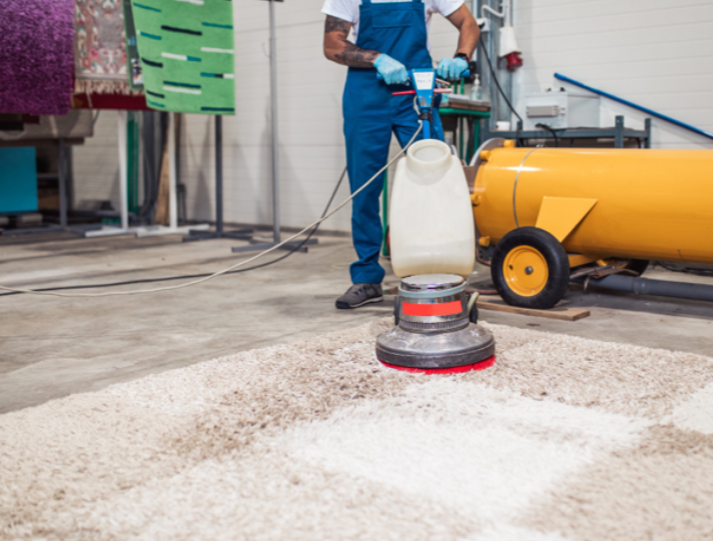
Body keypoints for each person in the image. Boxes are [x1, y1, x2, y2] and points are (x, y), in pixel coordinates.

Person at [322, 0, 479, 309]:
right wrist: (376, 58)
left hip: (416, 92)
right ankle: (367, 278)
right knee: (365, 187)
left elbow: (469, 24)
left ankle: (438, 274)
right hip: (366, 95)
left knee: (435, 180)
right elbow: (332, 45)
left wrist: (462, 57)